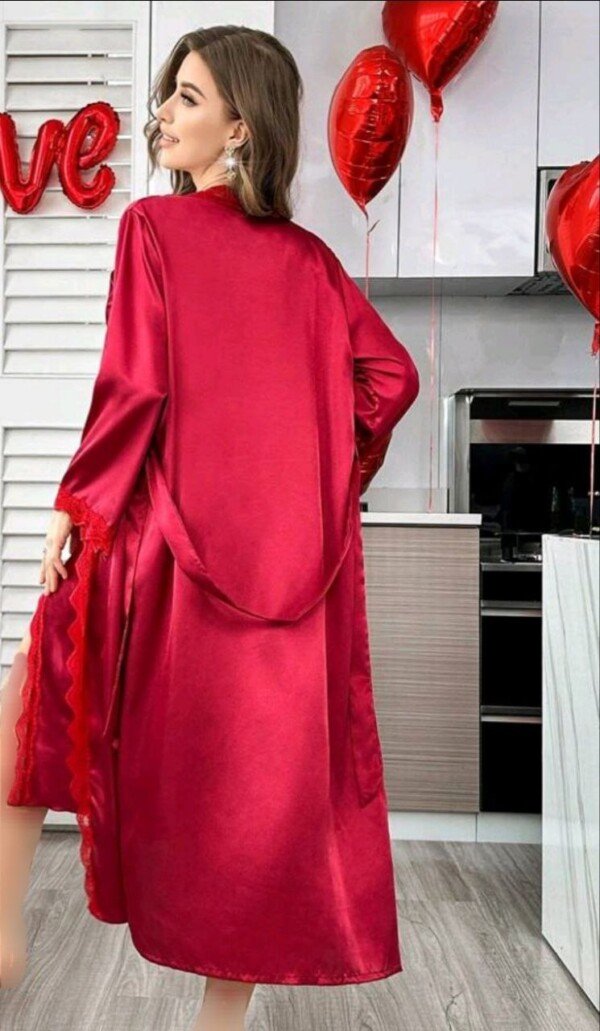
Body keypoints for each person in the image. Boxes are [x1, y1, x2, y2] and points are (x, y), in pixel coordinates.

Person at [0, 24, 420, 1030]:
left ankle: (5, 936)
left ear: (241, 124)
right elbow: (393, 377)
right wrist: (313, 478)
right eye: (167, 94)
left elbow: (135, 388)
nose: (160, 114)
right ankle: (214, 1024)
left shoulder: (154, 227)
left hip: (160, 550)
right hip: (294, 578)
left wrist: (77, 503)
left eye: (187, 97)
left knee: (35, 705)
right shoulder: (312, 262)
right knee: (256, 792)